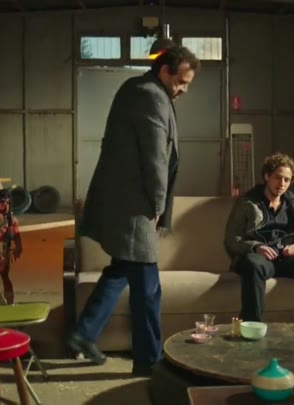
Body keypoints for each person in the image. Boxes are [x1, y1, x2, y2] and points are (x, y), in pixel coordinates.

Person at [67, 45, 200, 377]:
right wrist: (157, 205)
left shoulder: (141, 89)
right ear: (165, 71)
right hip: (135, 207)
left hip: (127, 202)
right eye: (181, 82)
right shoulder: (150, 96)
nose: (184, 90)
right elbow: (155, 158)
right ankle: (148, 361)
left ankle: (84, 333)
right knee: (148, 288)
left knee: (120, 270)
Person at [224, 153, 294, 326]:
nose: (282, 184)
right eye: (278, 178)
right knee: (252, 264)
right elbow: (231, 239)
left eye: (287, 180)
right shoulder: (247, 202)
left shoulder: (293, 203)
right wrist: (256, 247)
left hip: (286, 258)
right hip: (259, 259)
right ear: (267, 176)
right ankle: (252, 325)